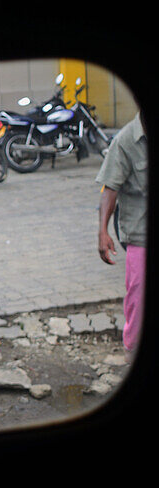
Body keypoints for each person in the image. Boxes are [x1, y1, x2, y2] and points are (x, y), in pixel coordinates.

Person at [97, 111, 148, 356]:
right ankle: (132, 349)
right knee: (138, 294)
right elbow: (110, 187)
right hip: (140, 235)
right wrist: (103, 231)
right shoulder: (126, 140)